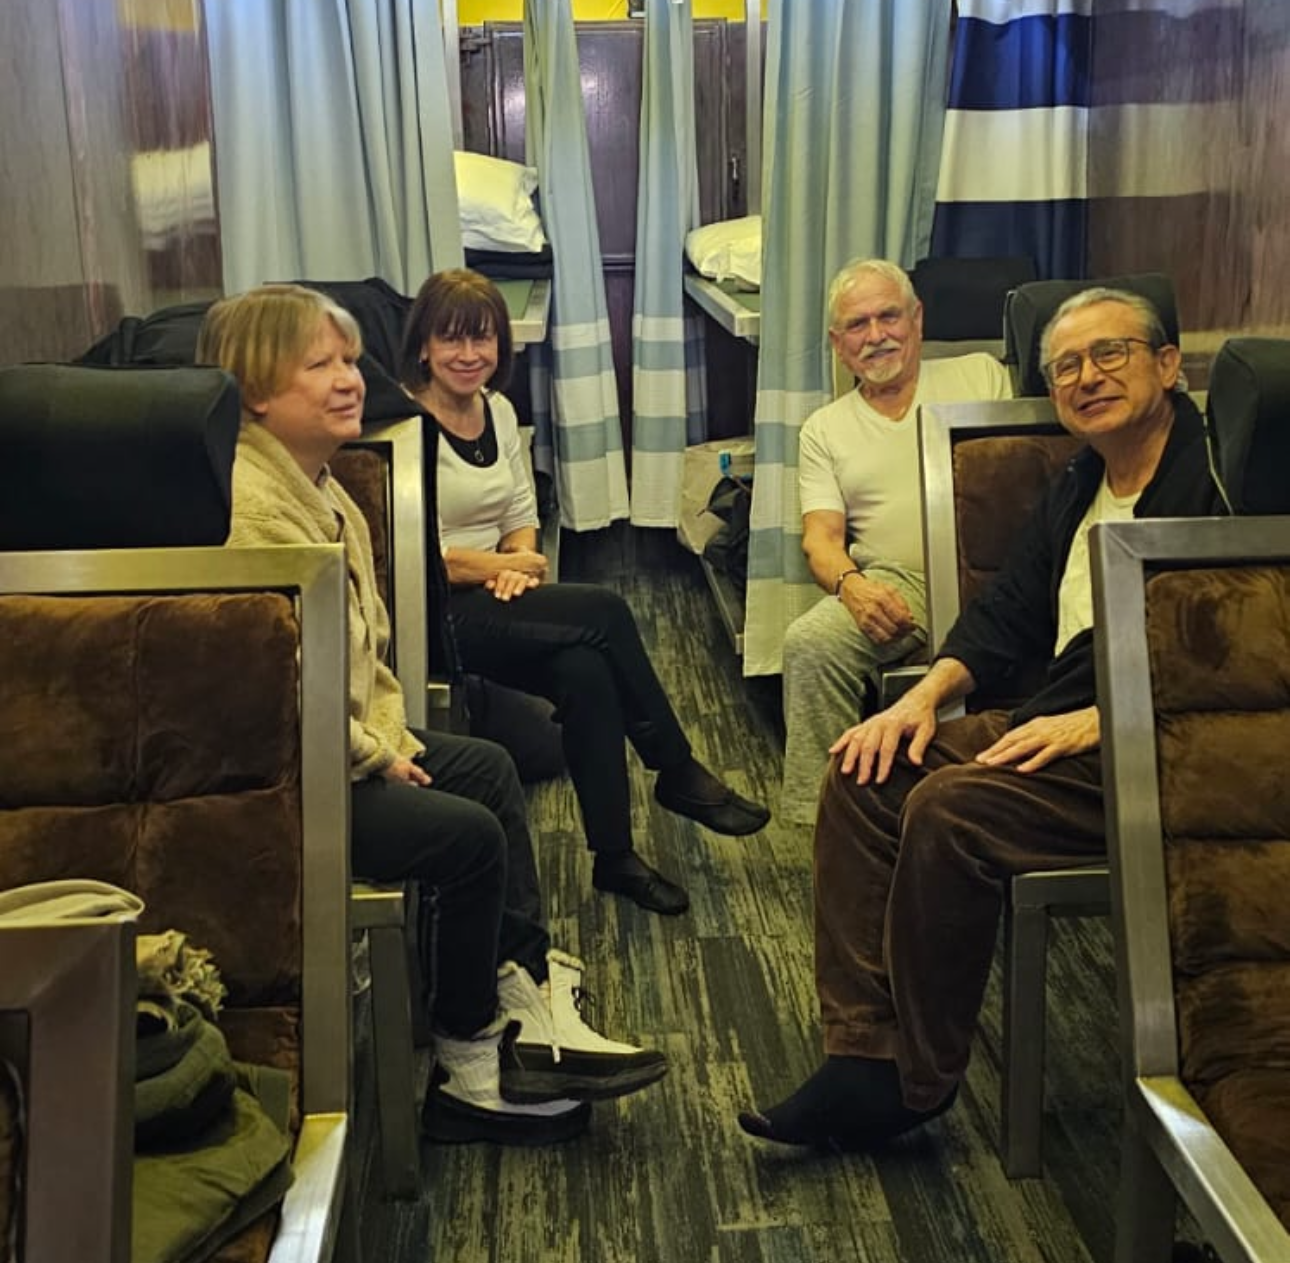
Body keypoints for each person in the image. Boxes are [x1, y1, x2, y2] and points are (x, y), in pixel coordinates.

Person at [738, 286, 1223, 1149]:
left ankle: (915, 1081)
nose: (1086, 377)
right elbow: (1005, 612)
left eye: (1109, 354)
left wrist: (1107, 721)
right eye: (1066, 366)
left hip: (1161, 745)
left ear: (1168, 364)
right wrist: (919, 699)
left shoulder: (1217, 482)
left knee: (948, 808)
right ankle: (862, 1052)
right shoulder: (1082, 479)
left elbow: (1234, 656)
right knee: (865, 768)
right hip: (1058, 715)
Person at [198, 283, 667, 1147]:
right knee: (468, 836)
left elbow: (361, 660)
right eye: (321, 365)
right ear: (255, 388)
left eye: (349, 360)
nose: (351, 379)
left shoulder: (324, 488)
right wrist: (375, 756)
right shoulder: (248, 510)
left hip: (341, 744)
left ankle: (518, 985)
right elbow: (264, 691)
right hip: (284, 776)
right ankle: (469, 1065)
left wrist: (388, 737)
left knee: (489, 765)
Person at [398, 268, 770, 917]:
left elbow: (520, 512)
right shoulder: (406, 426)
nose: (469, 354)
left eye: (482, 338)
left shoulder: (496, 409)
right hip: (433, 610)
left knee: (586, 670)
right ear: (423, 347)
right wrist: (500, 567)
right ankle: (675, 768)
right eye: (451, 338)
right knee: (604, 610)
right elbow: (412, 553)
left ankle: (614, 858)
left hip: (496, 594)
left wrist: (518, 565)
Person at [780, 258, 1013, 826]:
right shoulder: (824, 429)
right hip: (899, 584)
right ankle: (826, 820)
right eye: (857, 325)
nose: (876, 335)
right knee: (810, 643)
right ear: (838, 344)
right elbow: (821, 539)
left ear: (917, 319)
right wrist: (852, 587)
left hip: (1001, 572)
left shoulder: (981, 376)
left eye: (888, 316)